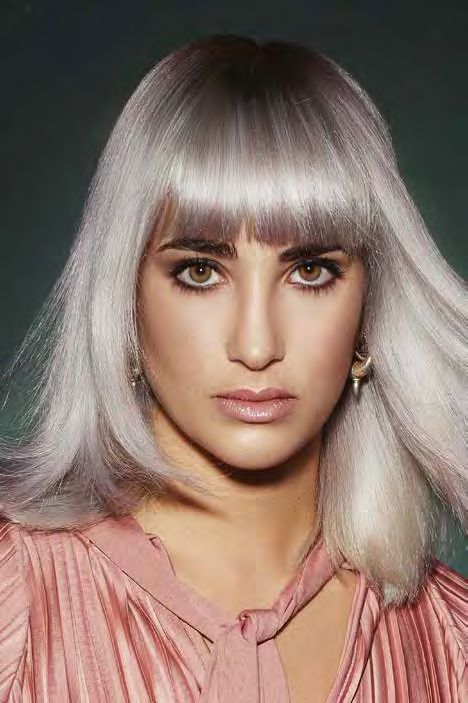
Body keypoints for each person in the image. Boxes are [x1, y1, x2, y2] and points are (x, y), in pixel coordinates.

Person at [0, 34, 466, 703]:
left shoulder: (450, 642)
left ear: (370, 307)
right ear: (123, 297)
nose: (256, 344)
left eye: (311, 271)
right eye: (199, 271)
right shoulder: (15, 599)